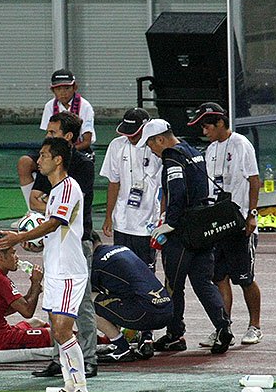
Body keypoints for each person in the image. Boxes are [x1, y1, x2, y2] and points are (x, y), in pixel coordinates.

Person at [0, 136, 91, 392]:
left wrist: (19, 237)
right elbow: (55, 233)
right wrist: (36, 244)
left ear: (58, 160)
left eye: (44, 156)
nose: (38, 161)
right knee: (58, 332)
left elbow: (55, 223)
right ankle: (69, 387)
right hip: (56, 270)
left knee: (63, 331)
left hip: (69, 272)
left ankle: (81, 389)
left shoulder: (69, 187)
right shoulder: (55, 192)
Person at [140, 119, 235, 354]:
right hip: (202, 227)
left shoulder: (172, 156)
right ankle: (223, 327)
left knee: (174, 285)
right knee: (203, 282)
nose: (151, 150)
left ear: (160, 139)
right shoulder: (193, 151)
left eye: (151, 144)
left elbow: (177, 190)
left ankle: (175, 334)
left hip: (183, 231)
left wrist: (169, 223)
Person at [28, 111, 98, 378]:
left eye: (52, 132)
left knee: (81, 305)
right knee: (54, 309)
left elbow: (66, 210)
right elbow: (35, 198)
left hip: (77, 242)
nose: (47, 136)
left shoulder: (81, 166)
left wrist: (24, 235)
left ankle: (87, 360)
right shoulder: (48, 164)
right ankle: (60, 361)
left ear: (68, 137)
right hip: (55, 245)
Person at [188, 102, 264, 347]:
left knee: (244, 278)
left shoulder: (241, 144)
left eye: (207, 126)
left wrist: (252, 214)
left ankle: (255, 326)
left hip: (239, 222)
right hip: (217, 223)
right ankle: (224, 328)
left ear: (220, 123)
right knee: (219, 277)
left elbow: (254, 179)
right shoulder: (210, 150)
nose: (204, 131)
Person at [100, 107, 162, 356]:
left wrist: (162, 218)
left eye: (135, 133)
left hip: (147, 225)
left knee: (146, 277)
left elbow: (165, 186)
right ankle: (129, 328)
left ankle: (148, 332)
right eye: (127, 132)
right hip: (122, 223)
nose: (130, 137)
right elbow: (113, 182)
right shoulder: (117, 146)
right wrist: (108, 216)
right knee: (122, 276)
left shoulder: (155, 147)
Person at [17, 68, 96, 212]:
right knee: (25, 162)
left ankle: (58, 206)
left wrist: (65, 151)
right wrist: (48, 153)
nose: (63, 92)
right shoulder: (50, 106)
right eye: (58, 89)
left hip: (77, 150)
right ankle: (33, 211)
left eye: (67, 88)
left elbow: (86, 141)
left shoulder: (85, 106)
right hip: (55, 149)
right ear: (52, 90)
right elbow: (48, 137)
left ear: (75, 87)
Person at [91, 232, 173, 363]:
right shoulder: (122, 249)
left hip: (145, 314)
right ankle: (146, 338)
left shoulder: (95, 263)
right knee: (132, 292)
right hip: (166, 309)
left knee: (87, 301)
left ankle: (122, 348)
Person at [0, 233, 52, 351]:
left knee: (36, 322)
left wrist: (33, 292)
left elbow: (2, 310)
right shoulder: (0, 280)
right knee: (57, 334)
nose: (17, 257)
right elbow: (28, 312)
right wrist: (35, 283)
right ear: (1, 257)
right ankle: (76, 344)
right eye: (13, 253)